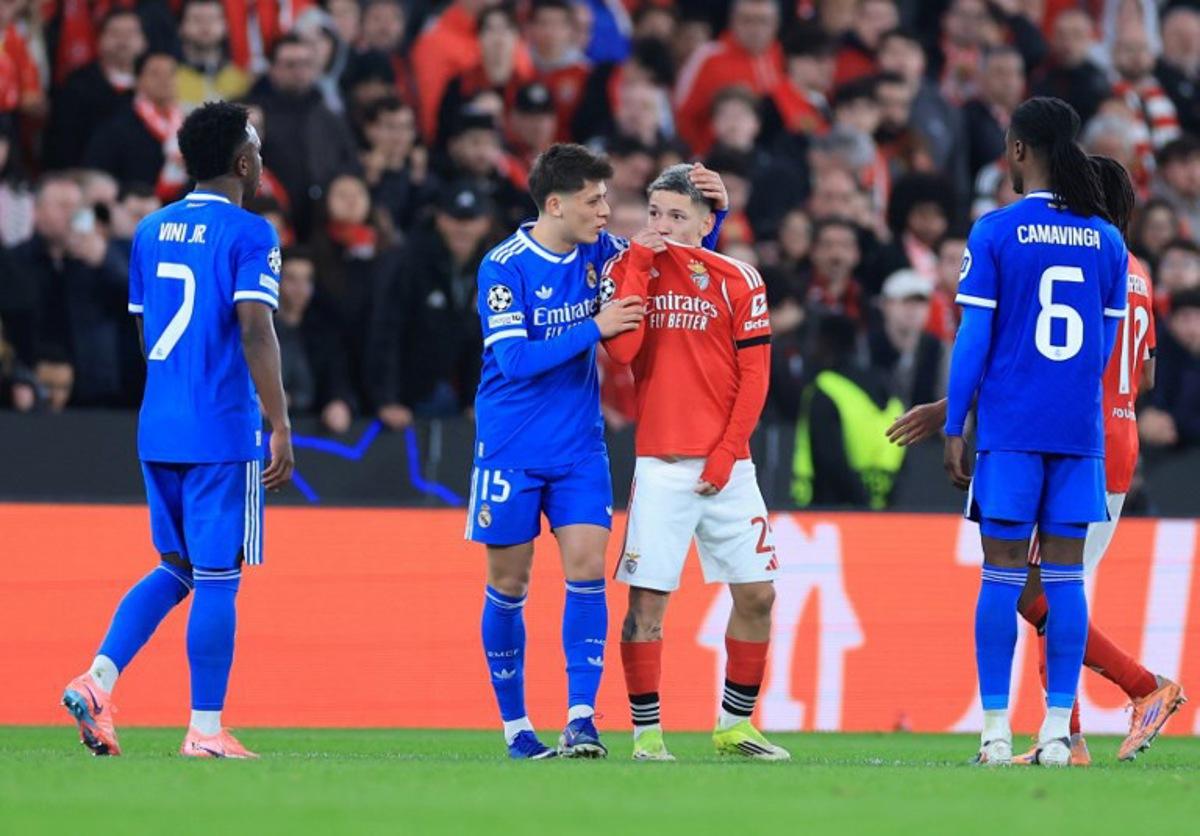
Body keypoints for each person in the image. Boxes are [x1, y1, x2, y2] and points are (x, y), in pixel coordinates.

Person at [889, 156, 1188, 764]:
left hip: (1069, 439)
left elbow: (1041, 362)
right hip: (1115, 439)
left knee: (1035, 591)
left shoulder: (1076, 260)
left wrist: (952, 409)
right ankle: (1068, 734)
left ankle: (1138, 690)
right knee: (1049, 588)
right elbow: (1145, 375)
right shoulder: (1132, 268)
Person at [468, 144, 726, 759]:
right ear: (556, 205)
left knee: (587, 573)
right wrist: (595, 326)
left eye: (607, 198)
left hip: (580, 448)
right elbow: (515, 359)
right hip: (508, 447)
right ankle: (516, 727)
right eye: (594, 200)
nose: (607, 211)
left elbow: (684, 272)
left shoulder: (604, 253)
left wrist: (714, 216)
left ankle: (581, 718)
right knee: (509, 583)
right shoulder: (504, 266)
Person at [60, 101, 294, 759]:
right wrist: (279, 422)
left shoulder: (149, 229)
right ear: (242, 163)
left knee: (178, 566)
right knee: (218, 576)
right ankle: (206, 729)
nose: (261, 162)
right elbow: (256, 329)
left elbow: (145, 331)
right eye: (257, 151)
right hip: (220, 427)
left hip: (160, 423)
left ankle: (98, 680)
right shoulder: (251, 234)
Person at [942, 97, 1126, 767]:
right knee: (1067, 581)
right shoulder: (1107, 239)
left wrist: (956, 422)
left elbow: (973, 337)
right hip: (1078, 435)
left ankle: (995, 733)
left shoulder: (996, 230)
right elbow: (1102, 349)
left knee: (1001, 577)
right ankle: (1055, 733)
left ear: (1019, 150)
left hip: (1012, 431)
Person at [603, 164, 787, 762]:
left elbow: (756, 377)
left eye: (677, 216)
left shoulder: (740, 279)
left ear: (707, 224)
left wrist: (727, 453)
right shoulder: (627, 270)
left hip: (728, 467)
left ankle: (735, 726)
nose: (661, 225)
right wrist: (638, 265)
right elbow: (622, 353)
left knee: (758, 595)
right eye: (654, 213)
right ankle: (647, 736)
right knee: (648, 605)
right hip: (661, 465)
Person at [43, 9, 146, 170]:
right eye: (115, 33)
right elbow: (62, 143)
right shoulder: (77, 85)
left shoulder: (152, 85)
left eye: (130, 33)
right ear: (99, 40)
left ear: (144, 41)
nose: (123, 40)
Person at [85, 51, 187, 203]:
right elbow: (99, 176)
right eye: (155, 73)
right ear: (138, 80)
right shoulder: (116, 126)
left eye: (171, 73)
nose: (165, 80)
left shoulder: (188, 125)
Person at [175, 0, 252, 111]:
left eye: (212, 19)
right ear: (181, 26)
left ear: (226, 25)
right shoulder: (169, 80)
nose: (205, 26)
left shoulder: (242, 81)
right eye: (196, 19)